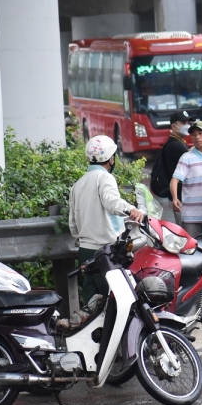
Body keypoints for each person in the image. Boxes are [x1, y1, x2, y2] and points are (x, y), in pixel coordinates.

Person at [68, 135, 145, 325]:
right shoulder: (105, 178)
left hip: (85, 251)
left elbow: (72, 224)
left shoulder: (78, 185)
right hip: (105, 252)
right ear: (111, 158)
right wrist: (131, 209)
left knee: (91, 306)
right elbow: (112, 203)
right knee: (114, 303)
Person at [170, 119, 202, 239]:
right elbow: (175, 180)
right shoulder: (186, 158)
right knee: (192, 249)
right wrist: (175, 198)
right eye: (193, 134)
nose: (197, 137)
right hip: (191, 216)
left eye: (200, 133)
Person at [150, 109, 191, 222]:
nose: (187, 126)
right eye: (183, 123)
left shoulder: (177, 142)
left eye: (188, 123)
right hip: (179, 199)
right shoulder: (176, 146)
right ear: (174, 126)